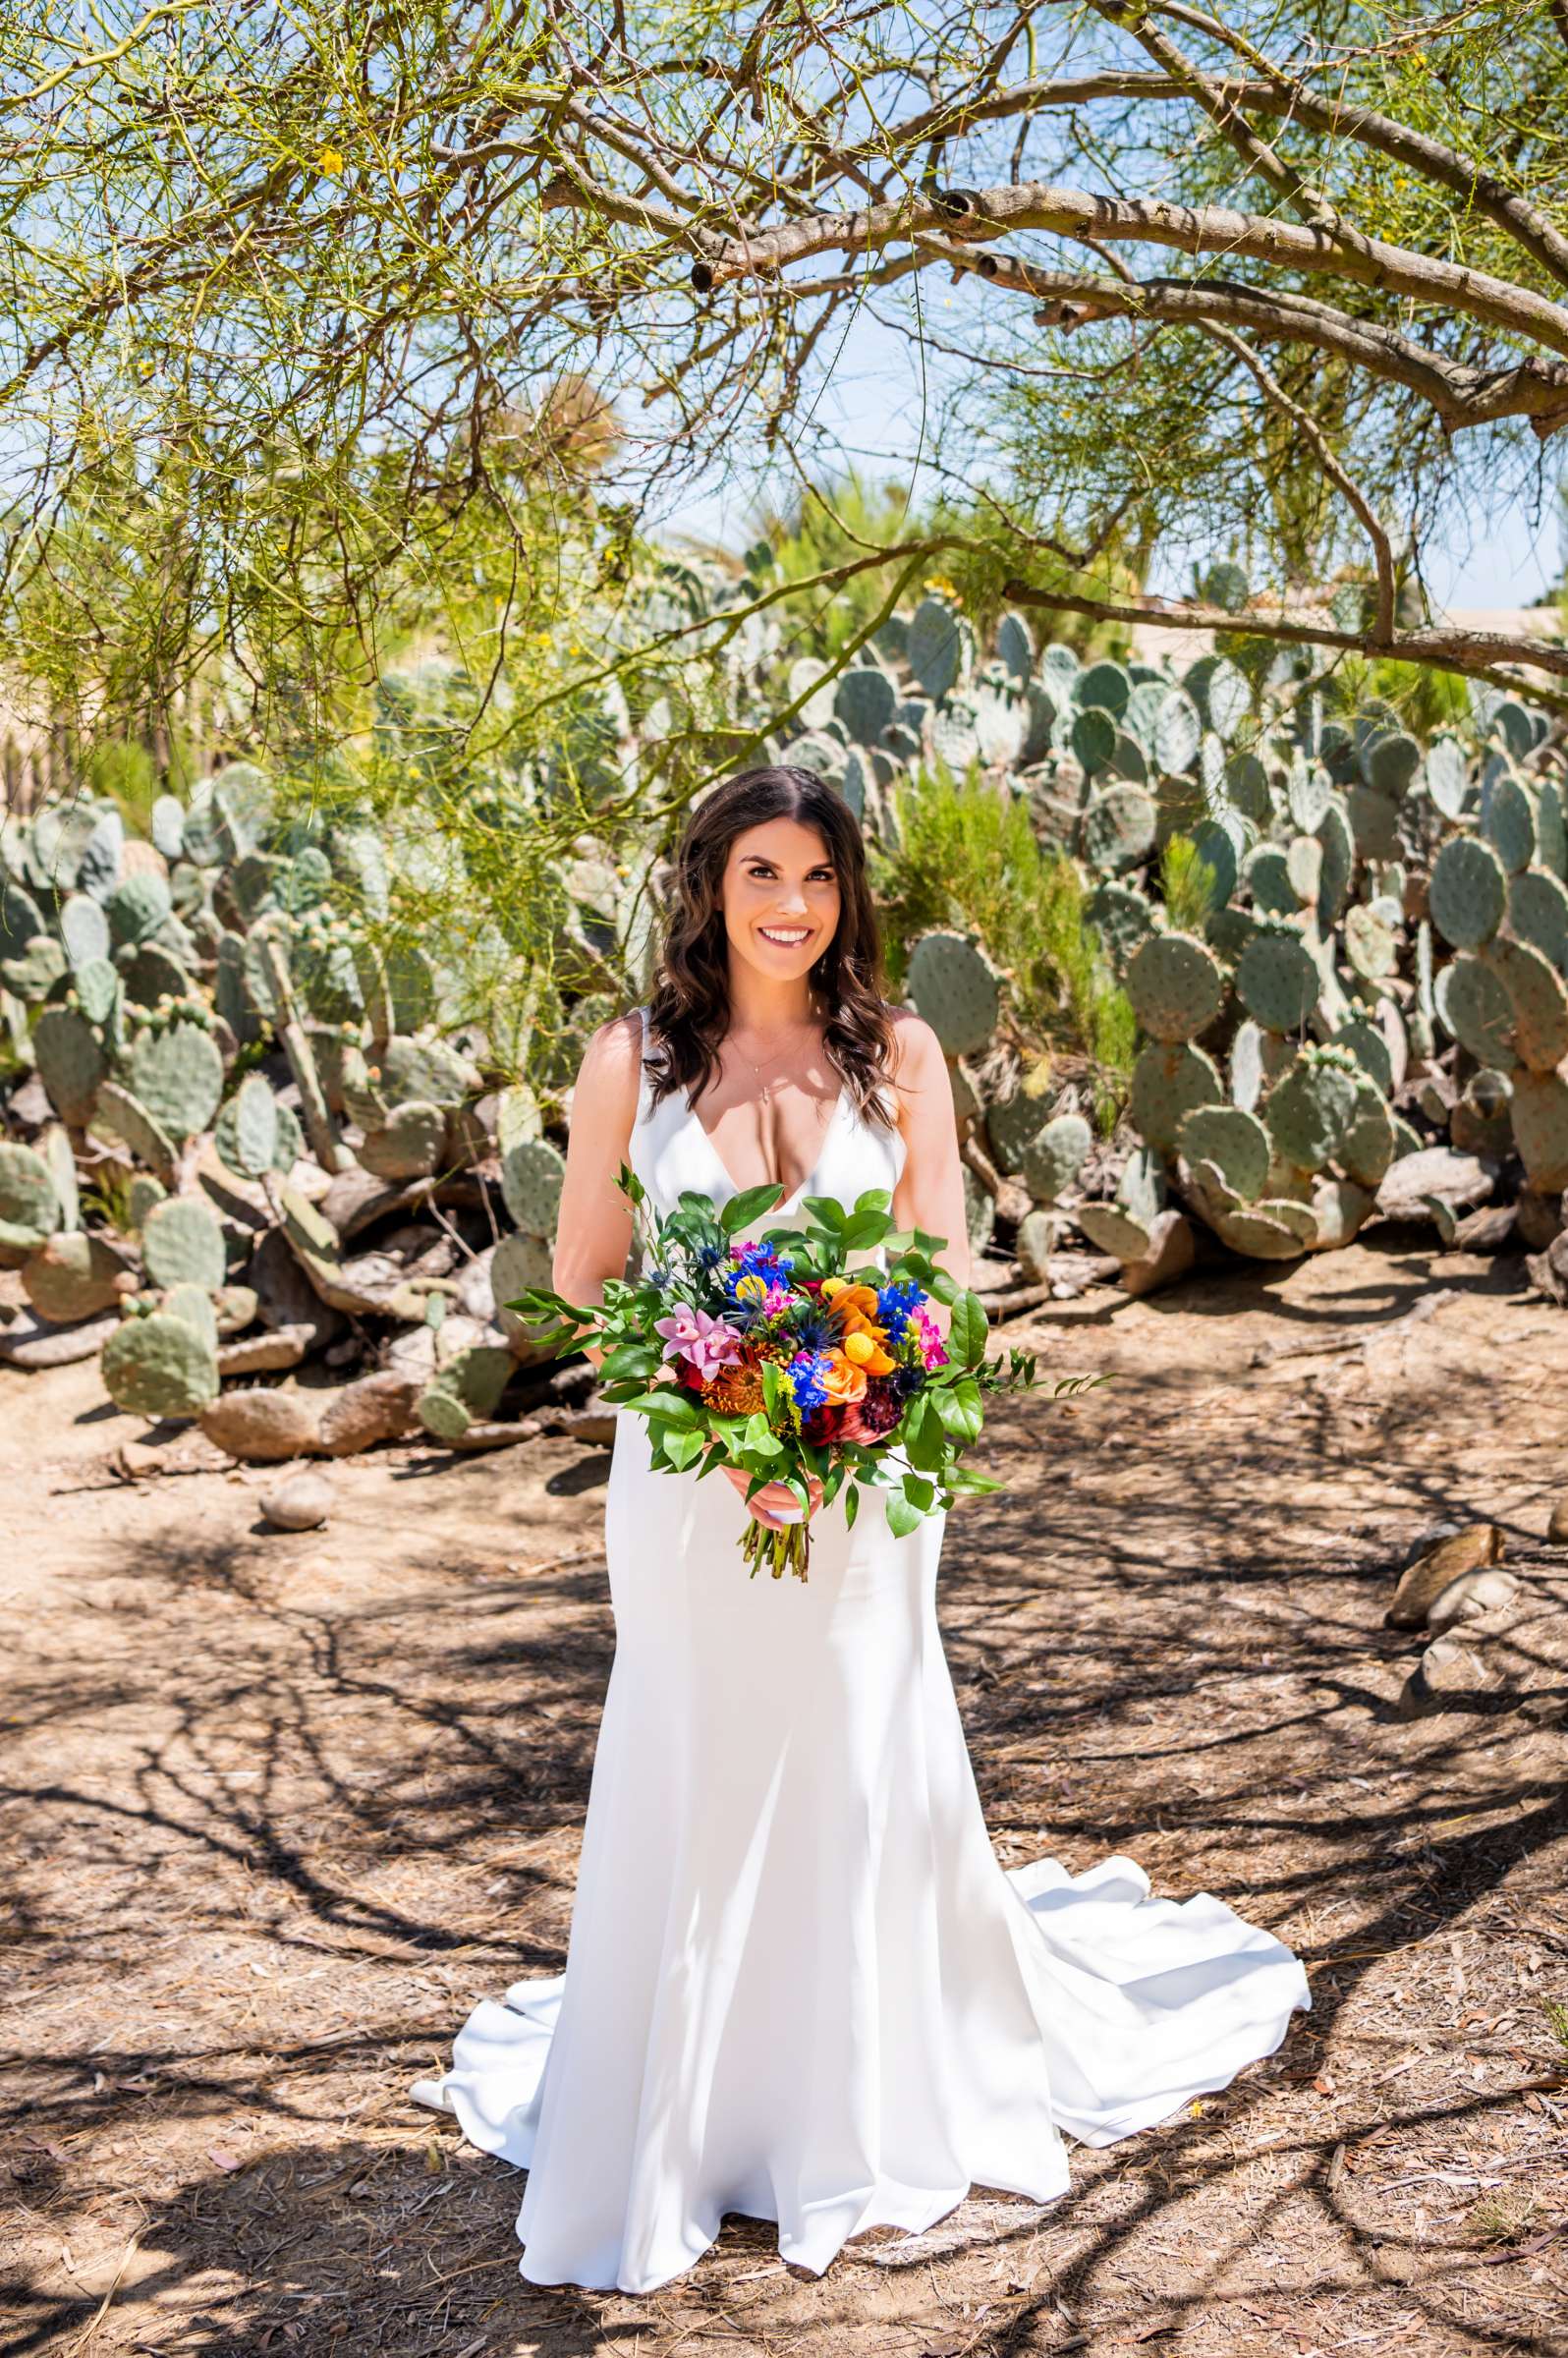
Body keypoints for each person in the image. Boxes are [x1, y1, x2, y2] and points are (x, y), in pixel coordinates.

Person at [412, 764, 1312, 2293]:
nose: (791, 907)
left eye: (819, 879)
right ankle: (687, 2114)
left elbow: (944, 1273)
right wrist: (718, 1390)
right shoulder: (630, 1059)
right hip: (687, 1479)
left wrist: (848, 1402)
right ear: (710, 885)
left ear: (849, 896)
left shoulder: (896, 1052)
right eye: (761, 873)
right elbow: (581, 1277)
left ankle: (856, 2096)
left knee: (856, 1735)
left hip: (864, 1470)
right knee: (697, 1740)